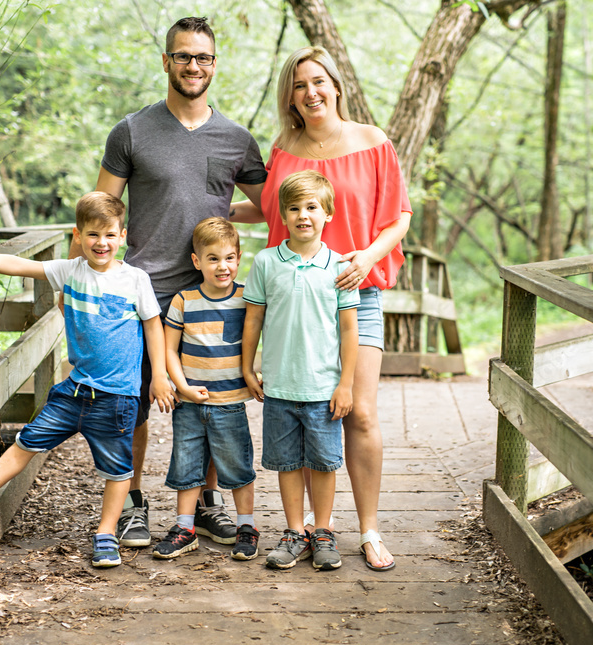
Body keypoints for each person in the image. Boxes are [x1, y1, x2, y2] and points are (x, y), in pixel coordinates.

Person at [80, 16, 268, 549]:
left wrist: (216, 213)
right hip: (139, 291)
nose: (193, 66)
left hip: (210, 294)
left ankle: (205, 506)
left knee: (208, 398)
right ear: (166, 61)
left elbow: (268, 206)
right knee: (132, 402)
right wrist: (84, 287)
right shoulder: (133, 131)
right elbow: (102, 211)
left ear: (214, 64)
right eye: (183, 56)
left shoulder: (236, 138)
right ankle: (134, 502)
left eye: (203, 57)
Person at [230, 46, 411, 571]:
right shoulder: (284, 147)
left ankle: (370, 530)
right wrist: (202, 200)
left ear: (335, 85)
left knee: (358, 411)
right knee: (307, 410)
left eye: (319, 82)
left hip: (359, 290)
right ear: (291, 96)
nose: (311, 92)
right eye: (299, 85)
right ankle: (309, 529)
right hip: (296, 302)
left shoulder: (373, 141)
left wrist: (367, 256)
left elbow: (399, 216)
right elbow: (270, 209)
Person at [0, 192, 170, 568]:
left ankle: (106, 533)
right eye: (93, 235)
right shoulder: (70, 271)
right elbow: (17, 264)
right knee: (27, 441)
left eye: (110, 235)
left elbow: (154, 327)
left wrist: (159, 375)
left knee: (118, 469)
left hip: (117, 397)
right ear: (78, 235)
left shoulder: (135, 279)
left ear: (122, 236)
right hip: (74, 391)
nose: (101, 243)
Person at [242, 170, 358, 571]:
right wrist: (247, 367)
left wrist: (346, 383)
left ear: (328, 213)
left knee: (324, 463)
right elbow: (253, 319)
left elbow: (348, 330)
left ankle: (322, 532)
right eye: (294, 208)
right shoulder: (266, 262)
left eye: (311, 207)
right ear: (283, 215)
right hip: (279, 386)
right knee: (287, 463)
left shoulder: (341, 266)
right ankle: (295, 531)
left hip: (324, 387)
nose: (303, 215)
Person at [153, 218, 259, 561]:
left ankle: (247, 526)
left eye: (229, 257)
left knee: (238, 465)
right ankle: (185, 527)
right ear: (197, 261)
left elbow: (261, 339)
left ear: (239, 258)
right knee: (186, 465)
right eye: (212, 258)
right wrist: (181, 386)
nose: (222, 266)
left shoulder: (247, 299)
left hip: (229, 401)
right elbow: (169, 349)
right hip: (188, 403)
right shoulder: (184, 300)